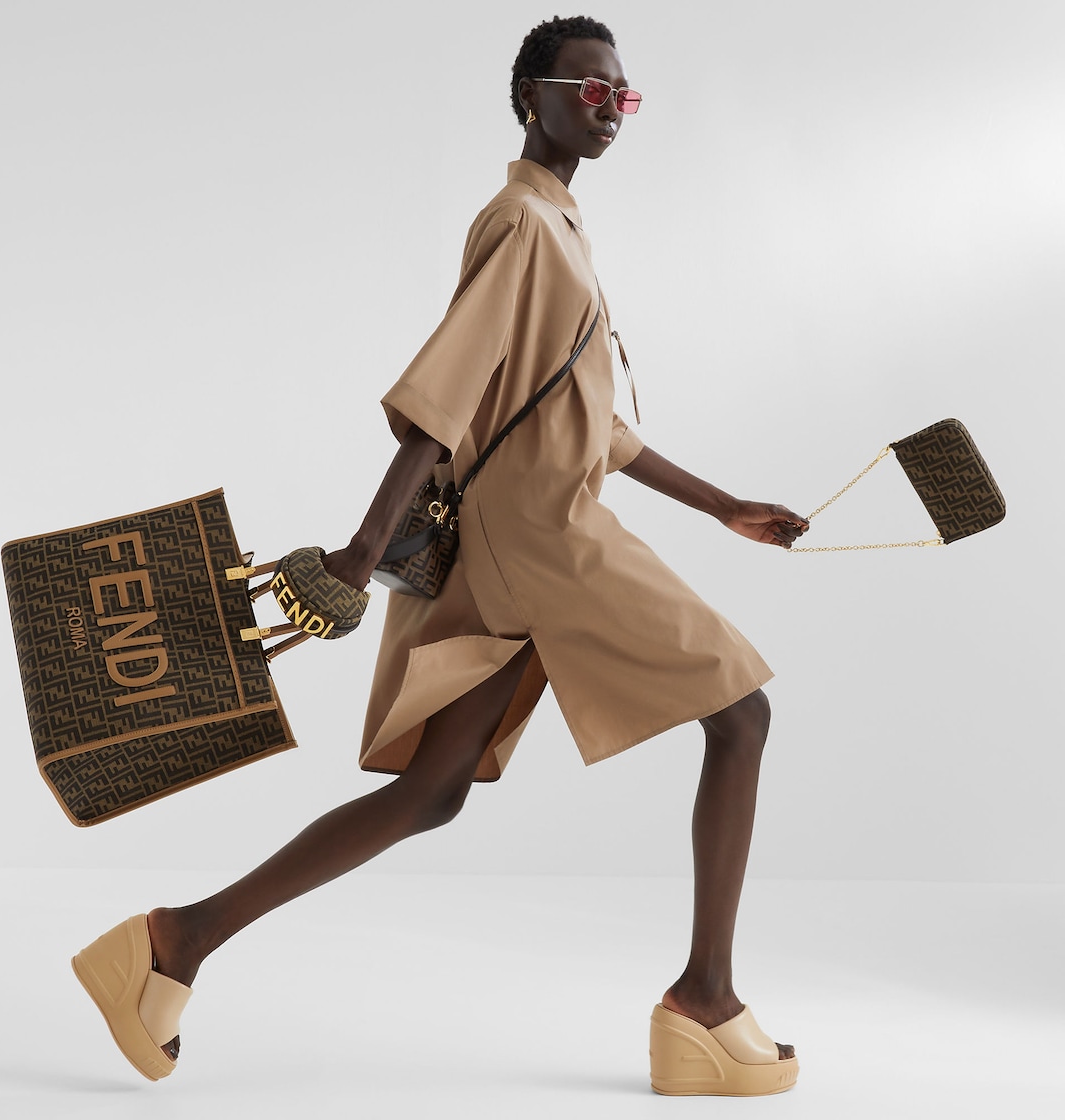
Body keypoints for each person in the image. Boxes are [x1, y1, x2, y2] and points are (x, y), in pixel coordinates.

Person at [71, 14, 807, 1097]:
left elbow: (594, 425)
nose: (610, 107)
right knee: (740, 714)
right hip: (548, 541)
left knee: (433, 791)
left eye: (622, 94)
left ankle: (174, 942)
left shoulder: (561, 228)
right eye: (590, 88)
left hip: (522, 540)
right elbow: (446, 392)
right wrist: (363, 550)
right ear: (531, 96)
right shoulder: (523, 223)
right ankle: (704, 1001)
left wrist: (721, 505)